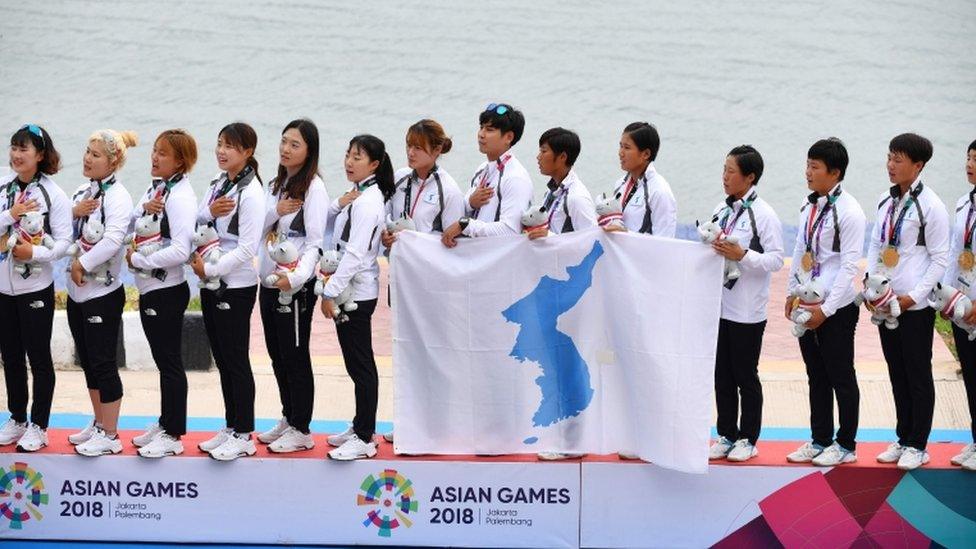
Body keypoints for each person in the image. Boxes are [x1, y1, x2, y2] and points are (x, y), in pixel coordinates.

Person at [867, 133, 949, 471]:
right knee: (896, 372)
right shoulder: (887, 203)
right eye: (889, 157)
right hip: (887, 303)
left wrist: (913, 296)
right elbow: (874, 246)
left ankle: (919, 443)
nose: (890, 165)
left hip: (914, 307)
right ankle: (903, 438)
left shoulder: (931, 206)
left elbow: (940, 258)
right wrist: (873, 287)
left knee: (917, 373)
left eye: (898, 160)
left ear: (918, 165)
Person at [380, 118, 464, 444]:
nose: (411, 153)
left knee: (433, 355)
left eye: (418, 147)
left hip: (431, 287)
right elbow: (385, 219)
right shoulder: (400, 179)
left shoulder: (449, 191)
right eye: (408, 145)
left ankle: (440, 426)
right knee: (405, 353)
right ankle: (408, 422)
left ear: (438, 149)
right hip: (400, 280)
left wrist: (416, 239)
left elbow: (451, 241)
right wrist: (388, 237)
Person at [784, 138, 866, 466]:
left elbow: (849, 266)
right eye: (807, 165)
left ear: (835, 172)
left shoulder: (851, 212)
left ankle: (845, 444)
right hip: (807, 299)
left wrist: (827, 310)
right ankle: (819, 439)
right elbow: (800, 250)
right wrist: (791, 292)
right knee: (815, 374)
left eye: (814, 167)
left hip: (837, 307)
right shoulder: (810, 206)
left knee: (840, 375)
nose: (808, 172)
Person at [191, 122, 265, 461]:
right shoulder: (218, 183)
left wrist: (212, 268)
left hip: (234, 286)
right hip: (209, 282)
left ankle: (244, 432)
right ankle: (231, 425)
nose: (222, 151)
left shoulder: (251, 193)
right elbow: (195, 220)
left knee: (236, 359)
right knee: (222, 358)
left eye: (230, 146)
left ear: (247, 152)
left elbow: (248, 248)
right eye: (220, 144)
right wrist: (209, 211)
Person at [706, 145, 784, 463]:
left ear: (749, 177)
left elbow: (777, 259)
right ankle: (726, 433)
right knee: (721, 374)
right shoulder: (721, 210)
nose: (725, 177)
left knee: (744, 375)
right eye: (723, 169)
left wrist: (743, 256)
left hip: (748, 310)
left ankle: (748, 438)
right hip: (720, 306)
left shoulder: (763, 214)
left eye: (731, 171)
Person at [320, 134, 395, 460]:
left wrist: (329, 291)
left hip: (356, 294)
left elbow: (355, 254)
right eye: (348, 155)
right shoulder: (360, 195)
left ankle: (365, 436)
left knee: (361, 364)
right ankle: (359, 424)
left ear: (375, 164)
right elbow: (329, 222)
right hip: (348, 288)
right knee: (354, 362)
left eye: (358, 157)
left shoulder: (368, 202)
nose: (349, 162)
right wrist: (339, 202)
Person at [256, 119, 328, 453]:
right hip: (269, 282)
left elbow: (315, 244)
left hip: (293, 287)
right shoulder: (278, 184)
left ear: (309, 151)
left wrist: (296, 279)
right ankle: (289, 416)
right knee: (277, 355)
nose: (286, 149)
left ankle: (302, 427)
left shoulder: (314, 188)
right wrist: (275, 210)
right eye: (284, 142)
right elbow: (256, 228)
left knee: (296, 356)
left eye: (294, 144)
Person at [126, 129, 198, 458]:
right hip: (151, 287)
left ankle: (173, 434)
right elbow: (135, 222)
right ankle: (165, 421)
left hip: (166, 289)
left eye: (163, 154)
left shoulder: (180, 196)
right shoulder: (158, 188)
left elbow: (182, 250)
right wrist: (143, 208)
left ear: (180, 162)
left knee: (170, 362)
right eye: (154, 151)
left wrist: (141, 260)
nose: (154, 158)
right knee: (163, 361)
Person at [0, 125, 71, 452]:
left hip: (35, 290)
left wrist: (35, 253)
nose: (16, 154)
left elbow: (64, 243)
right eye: (14, 147)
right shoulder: (4, 186)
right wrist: (9, 216)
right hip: (3, 289)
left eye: (24, 149)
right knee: (10, 356)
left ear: (40, 155)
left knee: (39, 358)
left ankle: (39, 425)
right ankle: (16, 418)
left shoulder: (52, 194)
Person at [67, 129, 136, 457]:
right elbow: (60, 229)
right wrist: (73, 212)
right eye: (87, 151)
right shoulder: (83, 191)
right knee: (89, 362)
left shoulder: (119, 197)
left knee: (104, 363)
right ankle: (98, 423)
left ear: (113, 161)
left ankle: (110, 434)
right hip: (77, 293)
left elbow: (112, 240)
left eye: (95, 154)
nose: (87, 158)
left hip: (102, 292)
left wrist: (82, 263)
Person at [441, 103, 533, 247]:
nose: (481, 134)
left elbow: (511, 231)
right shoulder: (482, 169)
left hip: (497, 263)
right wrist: (470, 203)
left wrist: (465, 225)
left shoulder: (515, 177)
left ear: (508, 137)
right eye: (481, 127)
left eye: (489, 130)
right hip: (476, 258)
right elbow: (462, 211)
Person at [943, 138, 976, 471]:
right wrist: (948, 295)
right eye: (968, 157)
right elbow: (956, 253)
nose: (969, 164)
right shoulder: (965, 203)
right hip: (962, 305)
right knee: (971, 375)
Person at [603, 122, 676, 237]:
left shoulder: (659, 192)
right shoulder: (620, 184)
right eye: (620, 146)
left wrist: (626, 235)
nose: (620, 153)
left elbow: (665, 242)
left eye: (626, 148)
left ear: (646, 154)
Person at [526, 127, 597, 242]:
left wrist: (550, 237)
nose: (538, 157)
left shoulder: (576, 197)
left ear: (562, 157)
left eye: (543, 151)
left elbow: (591, 240)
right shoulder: (552, 190)